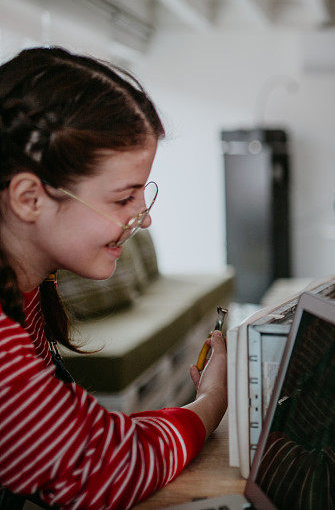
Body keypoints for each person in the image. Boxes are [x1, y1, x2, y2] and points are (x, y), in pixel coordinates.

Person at [0, 47, 227, 509]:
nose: (142, 218)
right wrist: (212, 400)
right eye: (124, 198)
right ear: (29, 199)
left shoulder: (29, 290)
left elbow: (73, 434)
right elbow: (105, 467)